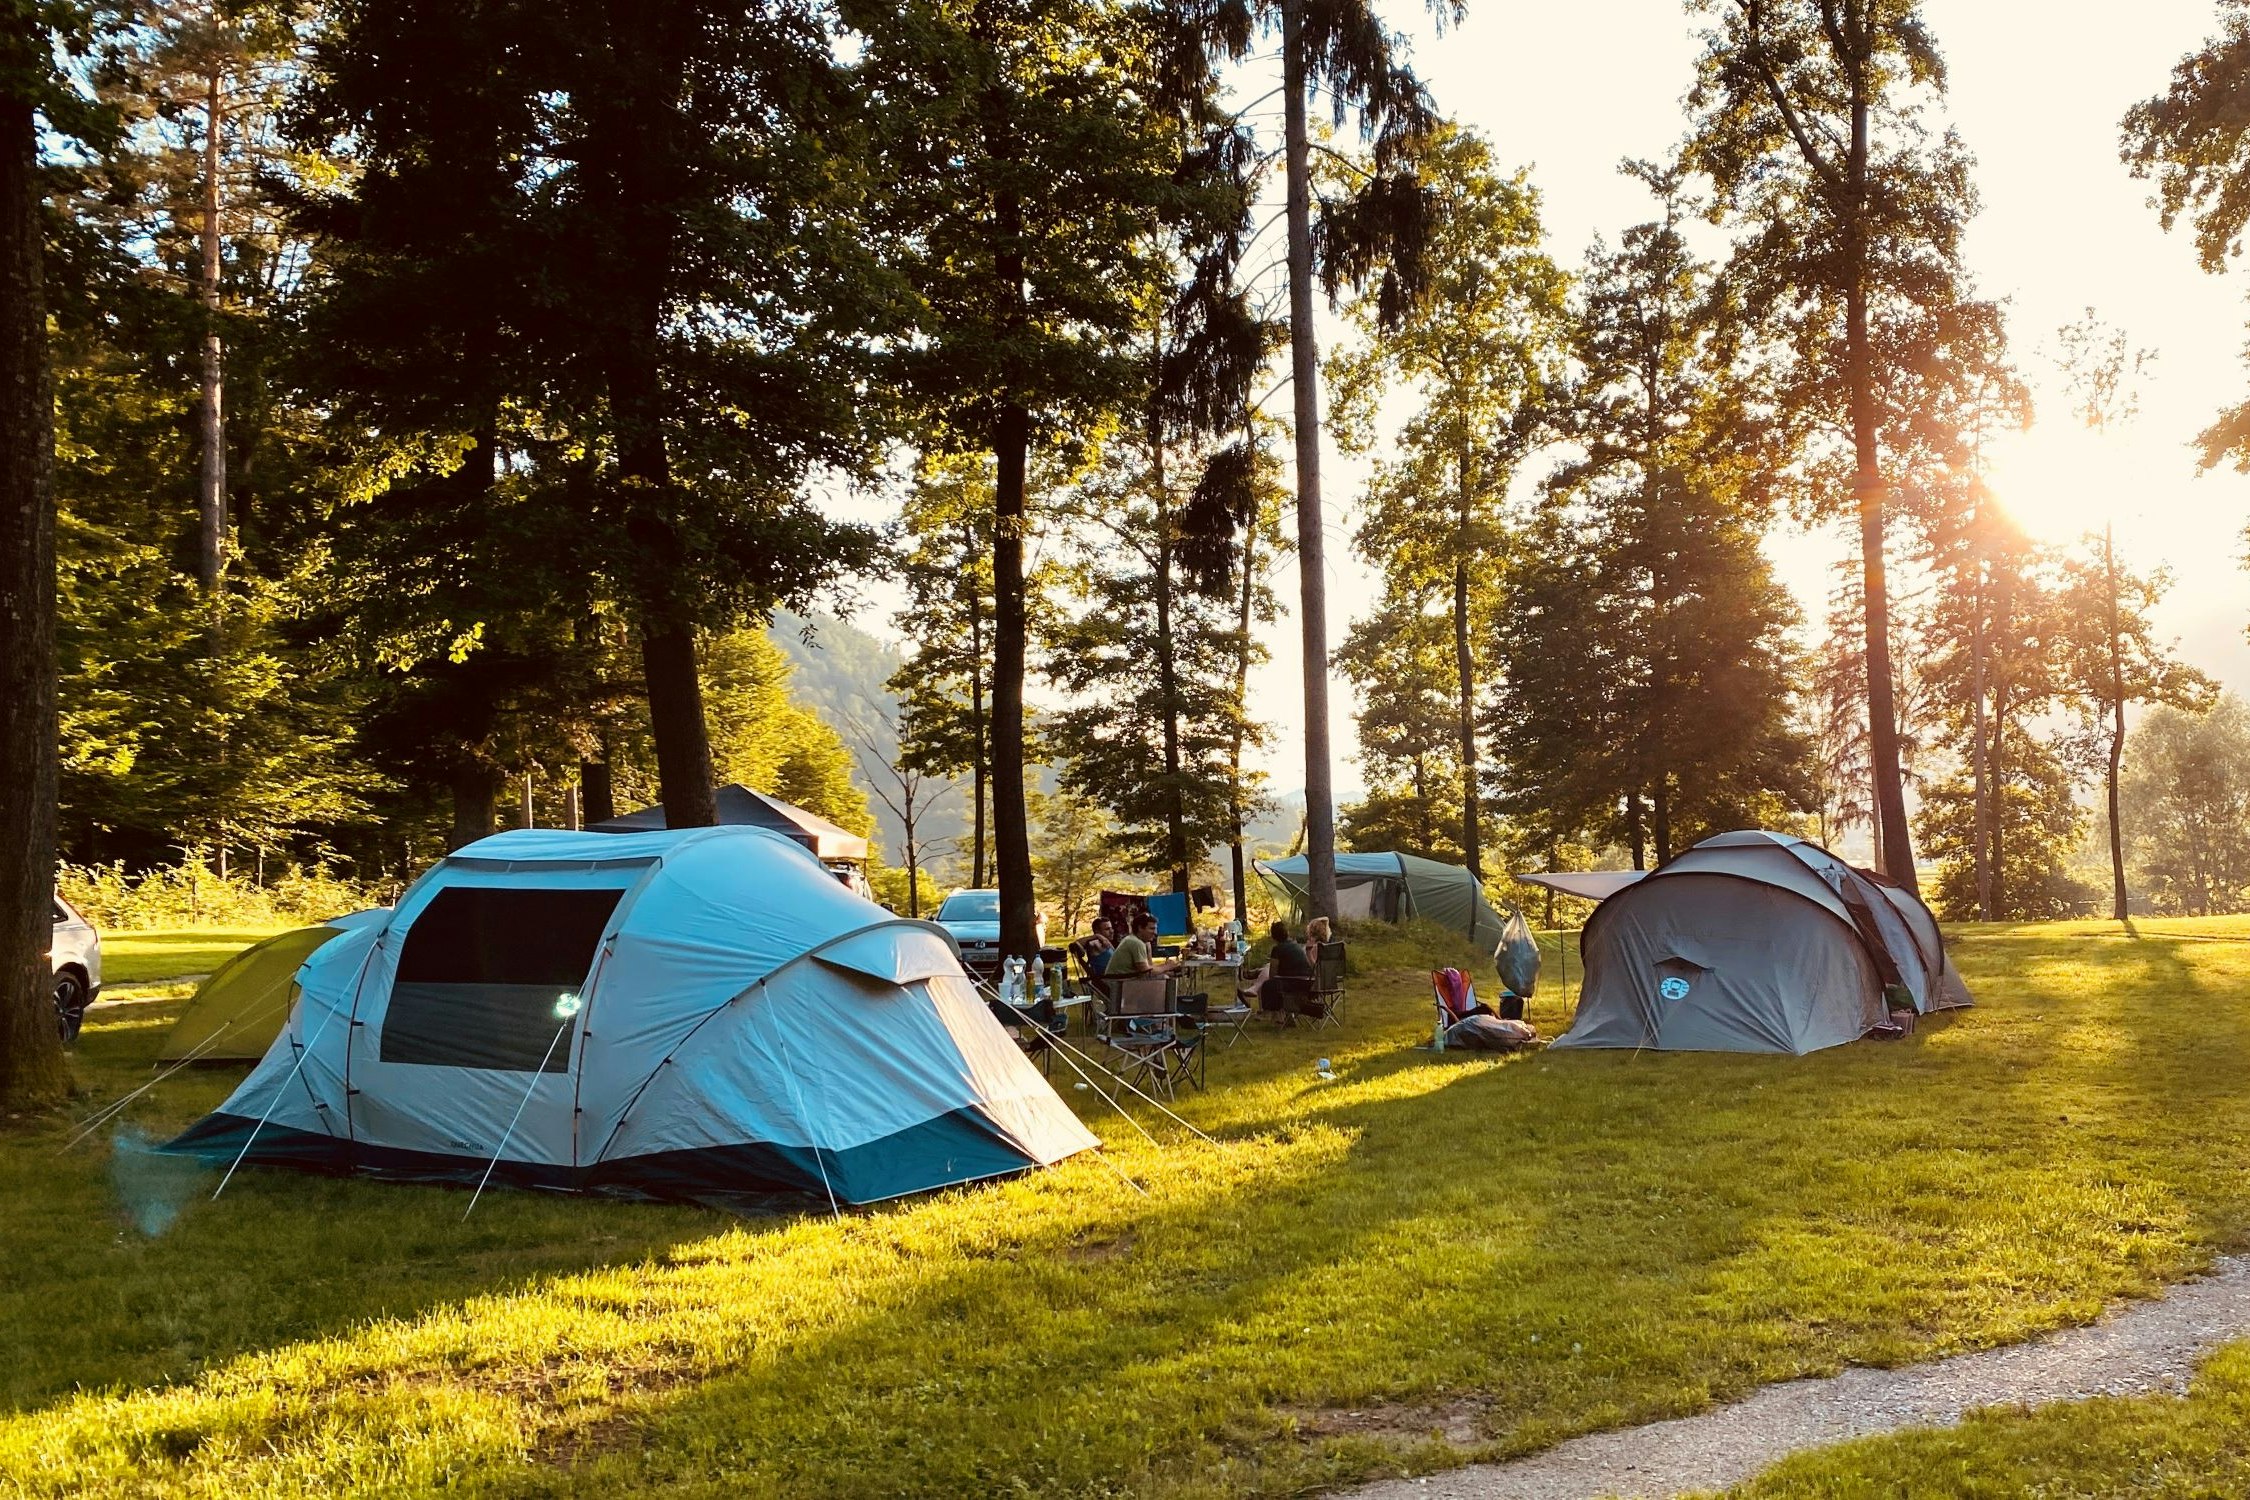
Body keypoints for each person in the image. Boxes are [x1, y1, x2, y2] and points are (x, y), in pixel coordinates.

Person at [1243, 920, 1316, 1024]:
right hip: (1308, 983)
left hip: (1294, 984)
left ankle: (1269, 1012)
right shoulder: (1296, 945)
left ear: (1273, 936)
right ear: (1287, 933)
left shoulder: (1277, 949)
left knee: (1269, 985)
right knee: (1270, 977)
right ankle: (1285, 1016)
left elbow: (1273, 974)